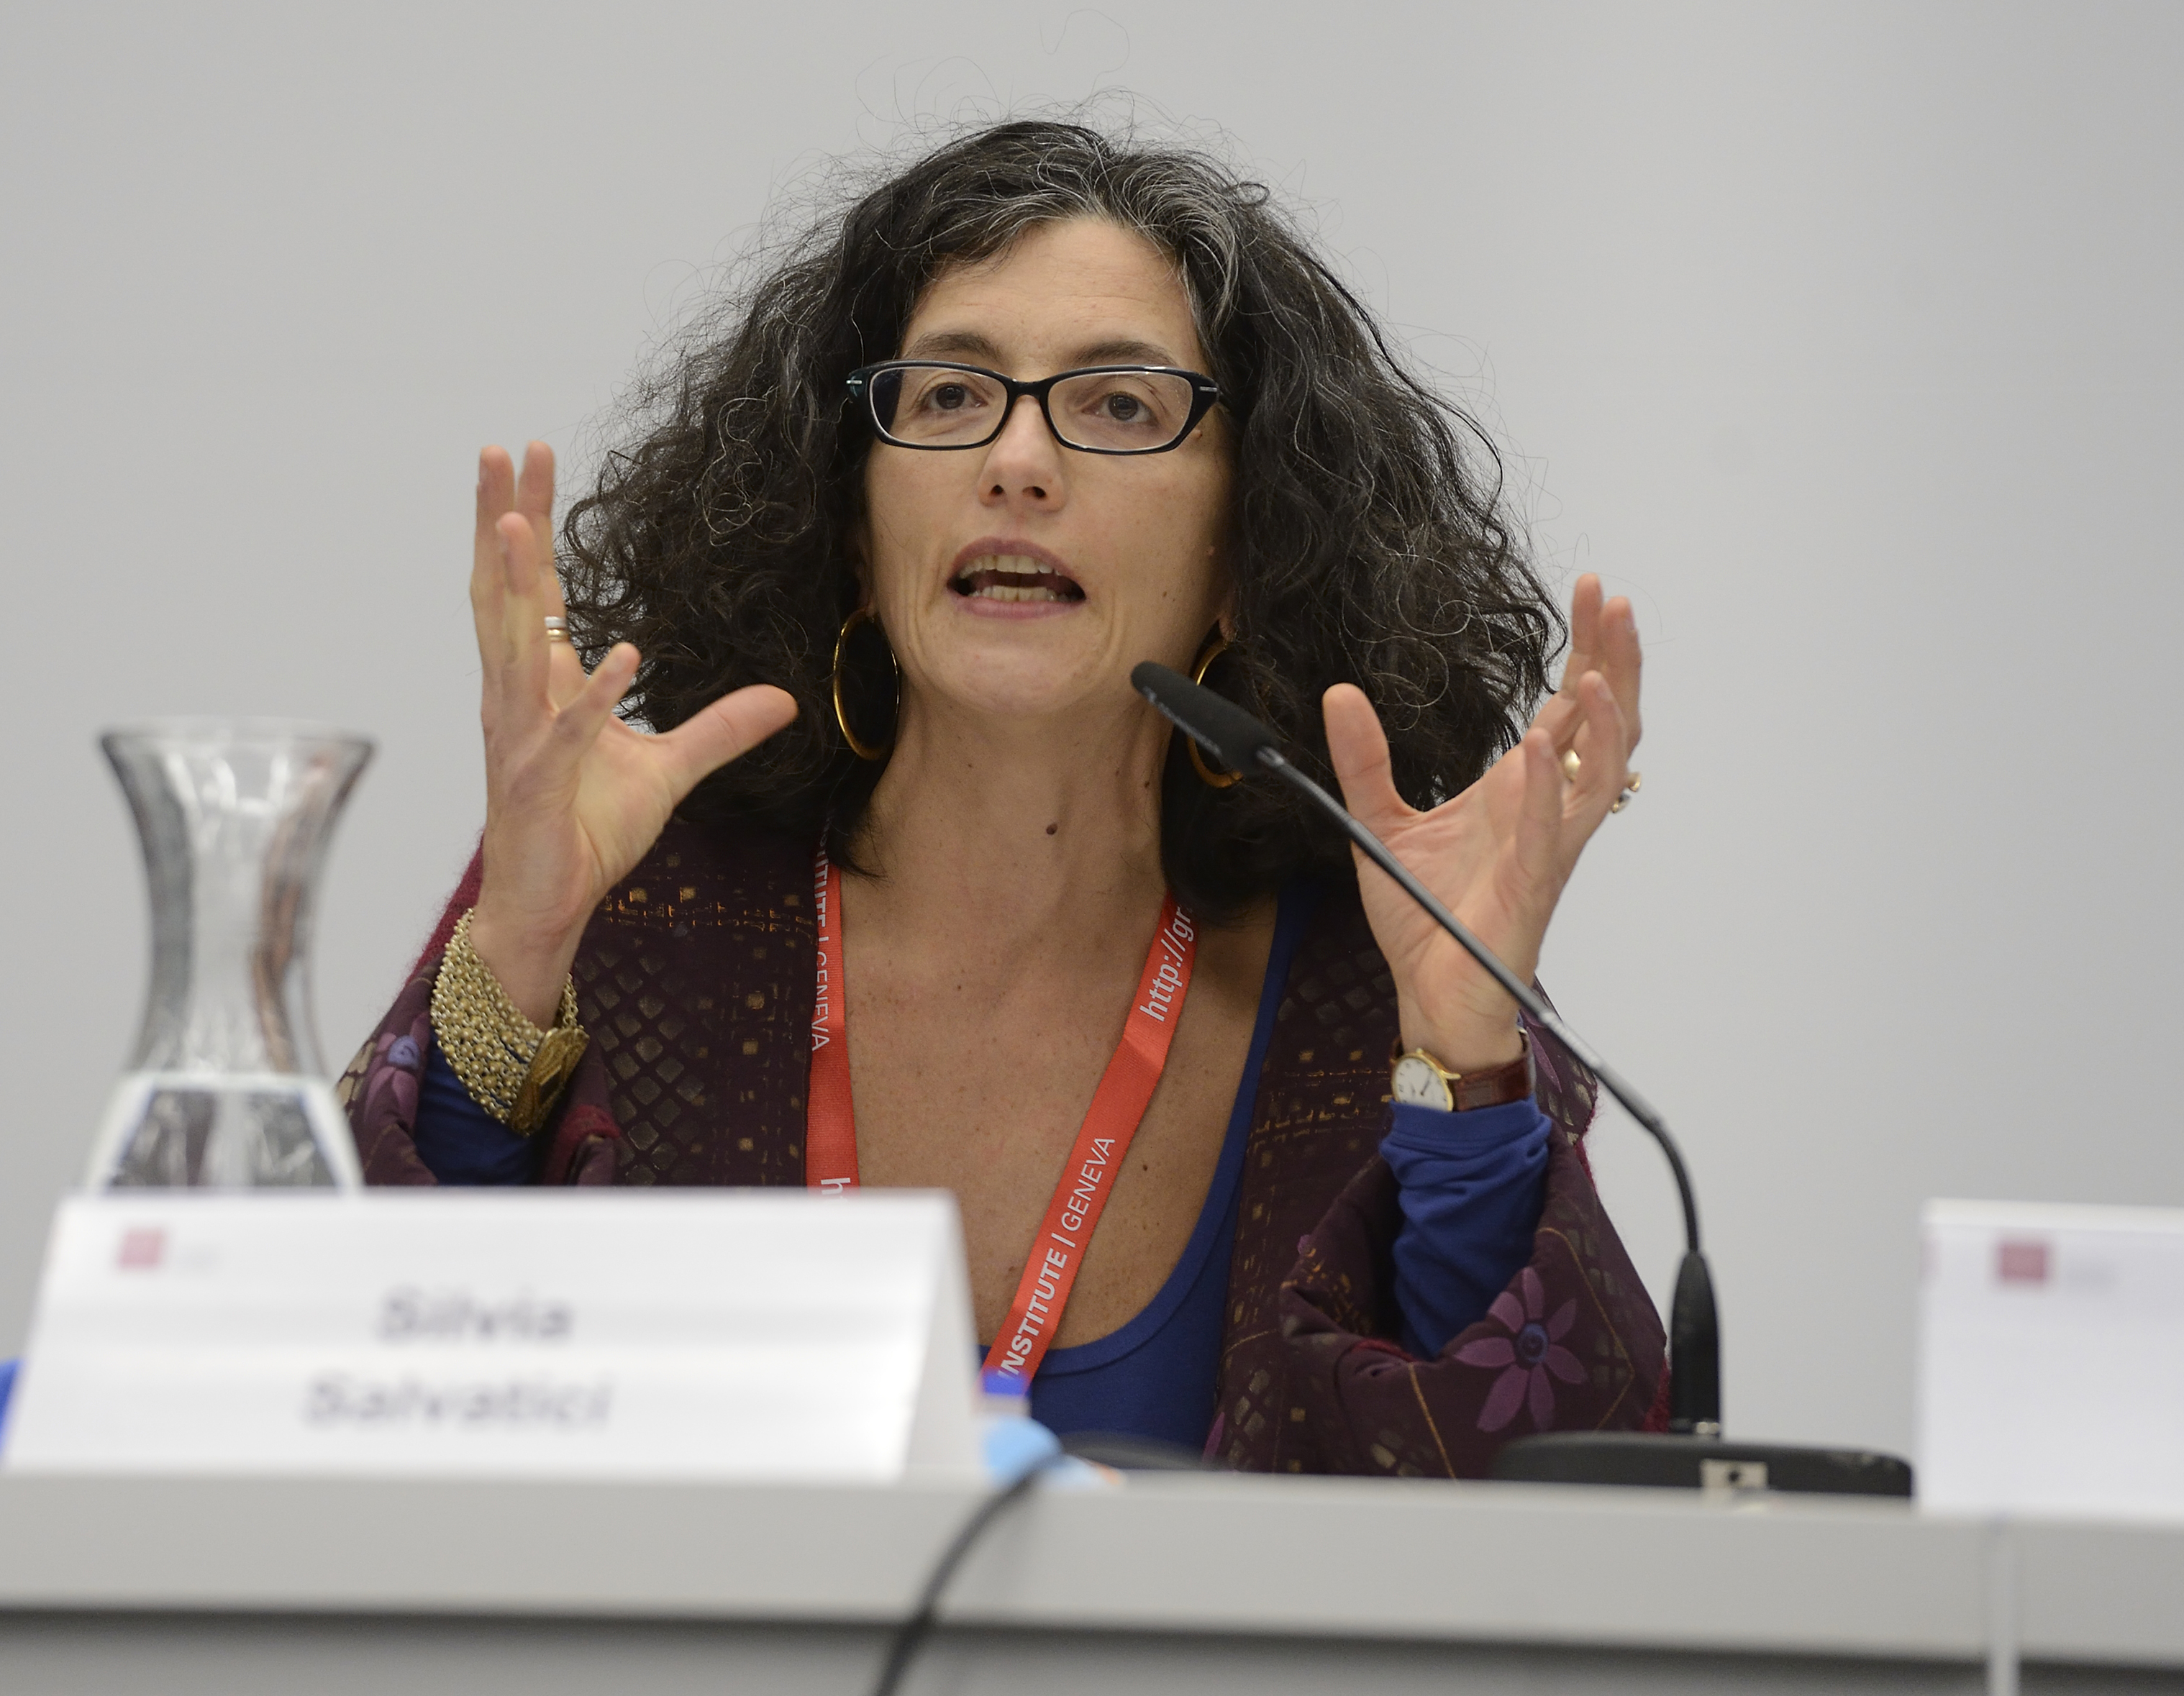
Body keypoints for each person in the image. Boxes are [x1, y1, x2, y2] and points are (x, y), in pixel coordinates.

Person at [329, 119, 1668, 1476]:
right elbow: (369, 1402)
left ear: (1248, 545)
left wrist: (1461, 1063)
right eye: (949, 396)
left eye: (1120, 405)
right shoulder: (645, 901)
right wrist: (518, 954)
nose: (1017, 460)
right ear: (855, 528)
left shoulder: (1361, 975)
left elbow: (1534, 1526)